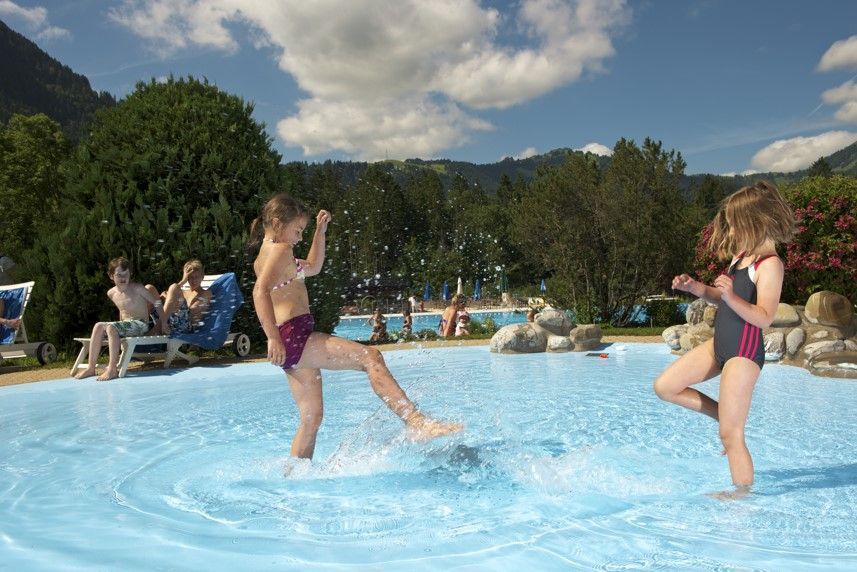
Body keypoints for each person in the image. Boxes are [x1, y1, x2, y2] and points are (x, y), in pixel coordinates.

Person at [249, 193, 462, 459]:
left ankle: (294, 477)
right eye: (298, 230)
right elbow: (260, 292)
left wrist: (320, 232)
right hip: (294, 336)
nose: (300, 238)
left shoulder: (268, 252)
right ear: (279, 222)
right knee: (371, 357)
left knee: (311, 419)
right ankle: (417, 423)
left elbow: (313, 267)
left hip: (292, 341)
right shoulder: (280, 250)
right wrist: (273, 338)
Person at [653, 181, 795, 494]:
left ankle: (741, 496)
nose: (730, 229)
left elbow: (765, 316)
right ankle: (726, 417)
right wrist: (697, 289)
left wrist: (730, 298)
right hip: (721, 344)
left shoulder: (770, 265)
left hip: (743, 352)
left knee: (731, 436)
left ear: (754, 222)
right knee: (665, 386)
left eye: (734, 223)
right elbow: (723, 296)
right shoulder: (741, 257)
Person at [76, 257, 166, 381]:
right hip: (126, 324)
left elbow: (157, 303)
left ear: (130, 274)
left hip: (141, 324)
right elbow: (122, 310)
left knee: (111, 327)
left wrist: (164, 323)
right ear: (111, 276)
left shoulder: (138, 288)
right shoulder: (111, 293)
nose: (123, 278)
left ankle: (112, 369)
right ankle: (91, 368)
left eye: (126, 274)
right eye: (119, 275)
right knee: (98, 325)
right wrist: (118, 328)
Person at [159, 259, 212, 335]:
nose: (193, 280)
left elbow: (191, 312)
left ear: (202, 277)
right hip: (170, 320)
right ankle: (142, 326)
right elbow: (163, 295)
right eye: (190, 277)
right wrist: (182, 282)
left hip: (185, 326)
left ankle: (157, 327)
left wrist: (173, 303)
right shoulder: (182, 291)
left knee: (174, 287)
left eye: (196, 277)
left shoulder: (206, 293)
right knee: (150, 288)